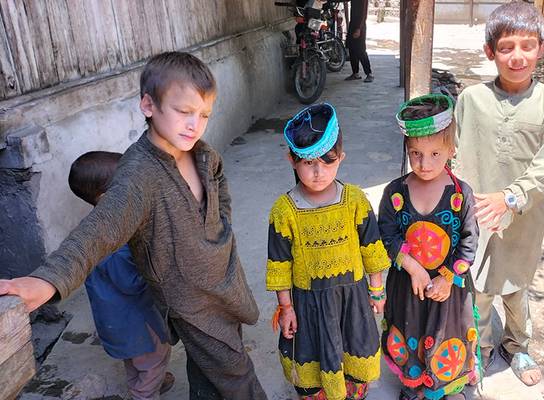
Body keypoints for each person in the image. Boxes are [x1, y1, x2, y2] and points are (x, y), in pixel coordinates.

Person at [0, 52, 267, 400]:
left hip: (226, 282)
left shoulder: (204, 154)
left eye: (203, 114)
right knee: (237, 374)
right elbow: (99, 230)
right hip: (191, 302)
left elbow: (218, 186)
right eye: (183, 111)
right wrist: (48, 279)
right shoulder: (139, 175)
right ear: (148, 105)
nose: (194, 125)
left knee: (207, 367)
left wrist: (222, 229)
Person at [453, 1, 544, 387]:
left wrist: (512, 197)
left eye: (526, 45)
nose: (517, 56)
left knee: (516, 287)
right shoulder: (470, 99)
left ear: (542, 47)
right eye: (506, 47)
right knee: (480, 288)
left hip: (524, 217)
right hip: (476, 213)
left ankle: (517, 346)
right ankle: (481, 349)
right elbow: (453, 153)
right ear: (490, 52)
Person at [266, 103, 390, 400]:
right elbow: (279, 263)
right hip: (308, 305)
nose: (319, 171)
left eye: (328, 160)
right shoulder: (284, 211)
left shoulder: (356, 200)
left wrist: (377, 291)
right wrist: (286, 308)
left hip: (353, 300)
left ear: (341, 158)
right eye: (308, 162)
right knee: (312, 359)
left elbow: (371, 247)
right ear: (292, 161)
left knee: (354, 352)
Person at [378, 94, 480, 400]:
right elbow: (386, 232)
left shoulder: (461, 194)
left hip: (448, 289)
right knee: (410, 332)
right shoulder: (395, 192)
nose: (425, 163)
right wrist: (412, 267)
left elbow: (469, 240)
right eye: (416, 154)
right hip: (407, 287)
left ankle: (447, 385)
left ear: (451, 148)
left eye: (436, 153)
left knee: (446, 334)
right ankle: (414, 385)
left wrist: (447, 277)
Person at [69, 151, 174, 400]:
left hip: (116, 322)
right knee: (154, 358)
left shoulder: (93, 228)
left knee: (135, 359)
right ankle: (145, 390)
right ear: (107, 197)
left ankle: (146, 380)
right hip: (136, 321)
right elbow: (133, 283)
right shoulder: (114, 244)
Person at [345, 0, 374, 82]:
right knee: (352, 49)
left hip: (360, 25)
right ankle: (355, 73)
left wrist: (359, 29)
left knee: (361, 50)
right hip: (352, 23)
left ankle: (369, 74)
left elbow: (364, 14)